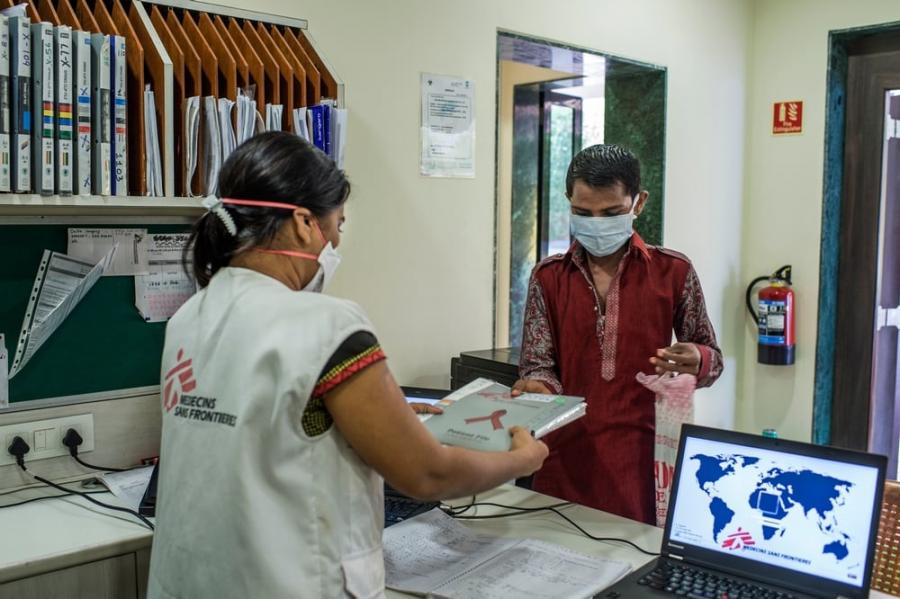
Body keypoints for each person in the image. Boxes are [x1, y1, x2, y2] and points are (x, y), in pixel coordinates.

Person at [147, 132, 548, 599]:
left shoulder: (189, 317)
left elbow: (262, 424)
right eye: (337, 222)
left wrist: (373, 419)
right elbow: (427, 475)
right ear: (302, 222)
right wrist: (521, 459)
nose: (336, 239)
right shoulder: (326, 323)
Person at [513, 144, 722, 525]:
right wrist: (537, 388)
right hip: (564, 461)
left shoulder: (672, 272)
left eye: (611, 213)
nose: (596, 222)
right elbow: (538, 366)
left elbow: (712, 359)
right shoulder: (549, 276)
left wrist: (697, 359)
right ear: (568, 202)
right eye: (582, 212)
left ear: (638, 202)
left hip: (645, 466)